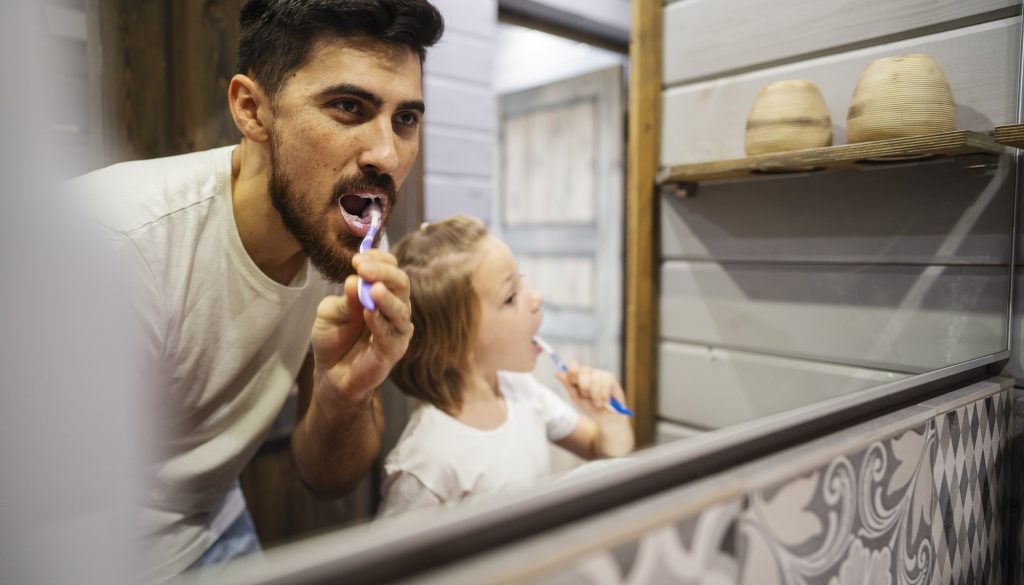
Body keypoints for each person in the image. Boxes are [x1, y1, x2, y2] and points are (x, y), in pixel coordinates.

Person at [66, 1, 444, 581]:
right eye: (349, 107)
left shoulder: (351, 247)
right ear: (252, 110)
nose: (387, 156)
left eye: (405, 119)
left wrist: (344, 397)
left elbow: (326, 477)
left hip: (216, 521)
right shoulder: (114, 245)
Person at [379, 215, 635, 516]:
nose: (536, 298)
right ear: (450, 346)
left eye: (522, 281)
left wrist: (611, 420)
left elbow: (602, 451)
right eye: (511, 296)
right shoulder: (426, 464)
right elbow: (395, 561)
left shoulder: (522, 393)